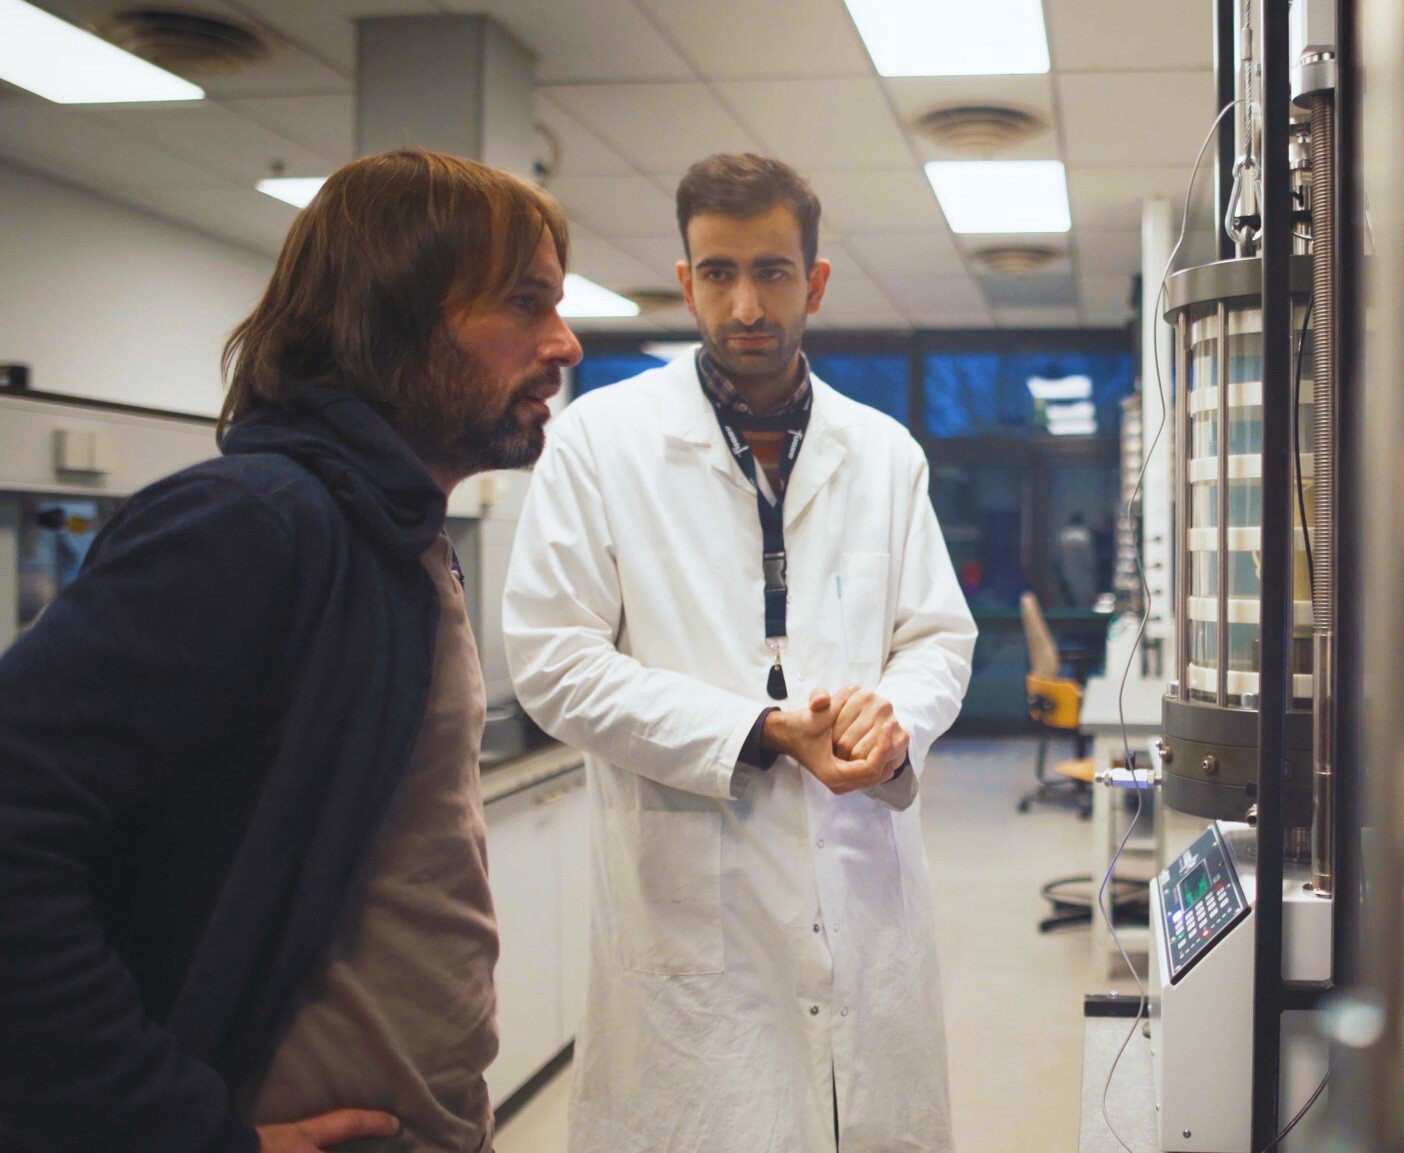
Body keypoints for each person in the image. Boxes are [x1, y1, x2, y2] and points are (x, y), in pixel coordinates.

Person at [0, 148, 583, 1153]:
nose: (564, 342)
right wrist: (175, 1129)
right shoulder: (257, 523)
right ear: (396, 320)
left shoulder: (399, 537)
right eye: (525, 304)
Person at [504, 152, 976, 1152]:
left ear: (815, 280)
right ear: (684, 282)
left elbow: (935, 635)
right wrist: (755, 731)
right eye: (717, 272)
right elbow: (551, 658)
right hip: (683, 903)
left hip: (859, 881)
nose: (745, 301)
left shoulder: (882, 451)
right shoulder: (600, 442)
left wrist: (893, 723)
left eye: (770, 270)